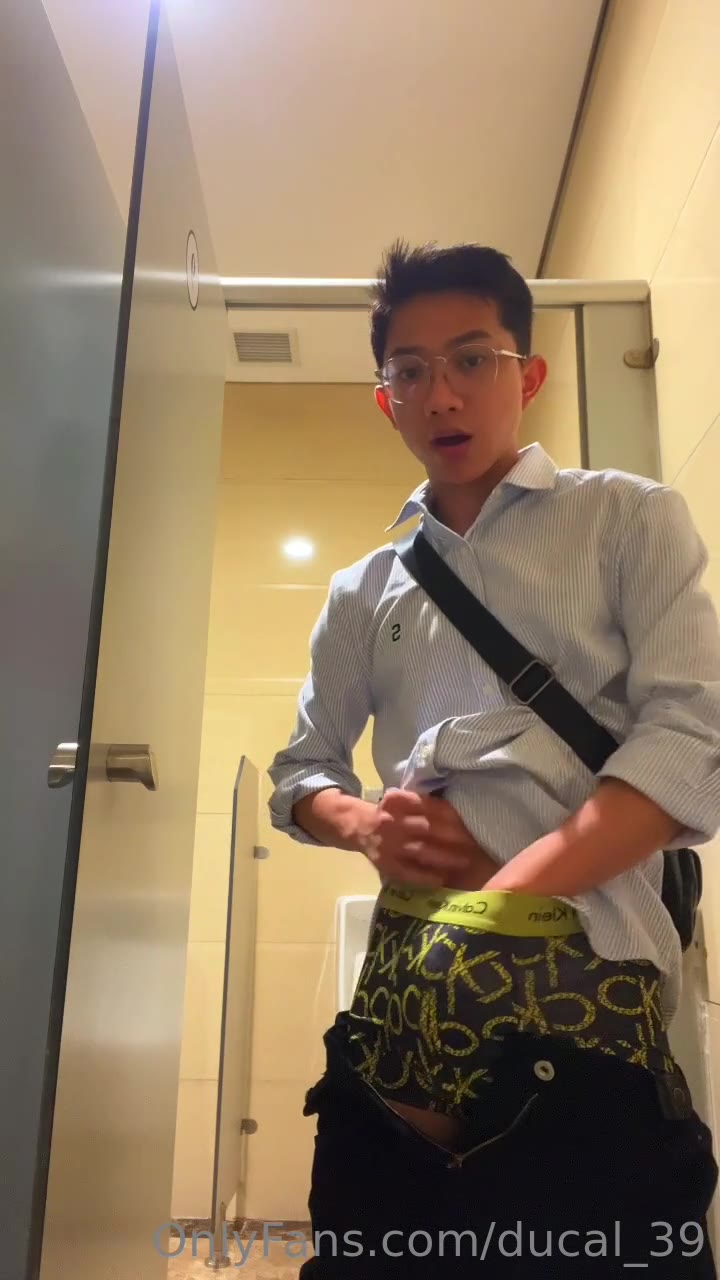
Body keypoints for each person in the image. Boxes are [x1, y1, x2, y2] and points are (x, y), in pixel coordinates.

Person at [267, 241, 720, 1277]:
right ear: (386, 400)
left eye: (473, 359)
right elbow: (301, 772)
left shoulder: (627, 517)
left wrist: (499, 900)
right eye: (411, 370)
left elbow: (692, 739)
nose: (442, 393)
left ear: (528, 375)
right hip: (400, 1030)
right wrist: (363, 824)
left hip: (583, 1011)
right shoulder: (362, 589)